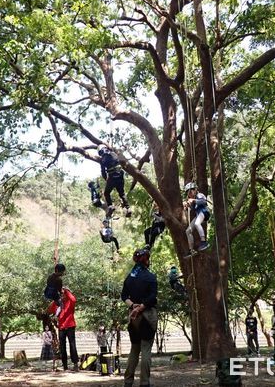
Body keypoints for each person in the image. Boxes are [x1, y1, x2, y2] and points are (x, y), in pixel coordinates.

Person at [121, 248, 158, 387]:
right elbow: (152, 297)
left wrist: (133, 306)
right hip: (147, 316)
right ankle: (144, 383)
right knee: (146, 349)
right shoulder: (150, 277)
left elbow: (124, 295)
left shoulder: (129, 278)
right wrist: (141, 307)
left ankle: (128, 382)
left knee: (134, 349)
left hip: (133, 318)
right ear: (146, 260)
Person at [48, 287, 79, 371]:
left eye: (63, 294)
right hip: (61, 327)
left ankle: (75, 363)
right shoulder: (58, 304)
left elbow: (73, 299)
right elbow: (50, 309)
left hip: (70, 326)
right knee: (62, 347)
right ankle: (65, 366)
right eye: (61, 294)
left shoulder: (70, 302)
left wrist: (66, 290)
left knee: (72, 345)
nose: (62, 295)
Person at [98, 144, 131, 218]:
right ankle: (128, 208)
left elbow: (103, 172)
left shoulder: (102, 159)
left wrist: (106, 179)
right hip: (120, 175)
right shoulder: (114, 153)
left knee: (106, 193)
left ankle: (110, 206)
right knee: (122, 193)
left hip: (112, 177)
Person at [183, 182, 210, 255]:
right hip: (198, 215)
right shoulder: (193, 201)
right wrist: (186, 206)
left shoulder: (199, 195)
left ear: (195, 190)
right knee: (188, 231)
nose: (189, 194)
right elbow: (191, 208)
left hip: (204, 212)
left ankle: (204, 242)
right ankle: (191, 250)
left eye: (191, 191)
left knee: (197, 223)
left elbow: (203, 202)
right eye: (188, 192)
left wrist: (194, 200)